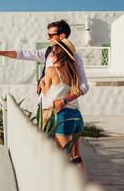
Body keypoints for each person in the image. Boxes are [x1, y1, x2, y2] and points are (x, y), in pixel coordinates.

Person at [0, 20, 89, 112]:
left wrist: (63, 101)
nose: (48, 38)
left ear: (62, 36)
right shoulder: (47, 52)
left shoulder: (75, 58)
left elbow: (84, 86)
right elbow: (23, 54)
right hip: (45, 107)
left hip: (67, 110)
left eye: (50, 35)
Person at [40, 39, 85, 172]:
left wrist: (42, 82)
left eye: (54, 53)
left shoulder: (50, 70)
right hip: (77, 115)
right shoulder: (74, 72)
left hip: (62, 117)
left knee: (66, 160)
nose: (51, 55)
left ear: (60, 54)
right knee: (77, 156)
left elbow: (46, 94)